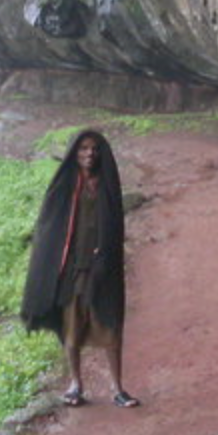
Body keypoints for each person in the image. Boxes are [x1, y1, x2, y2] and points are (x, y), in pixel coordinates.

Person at [21, 130, 140, 408]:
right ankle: (76, 385)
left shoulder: (107, 185)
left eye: (94, 149)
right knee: (71, 328)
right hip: (72, 269)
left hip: (102, 268)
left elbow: (114, 226)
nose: (89, 154)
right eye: (84, 149)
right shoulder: (65, 186)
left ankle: (118, 389)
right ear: (74, 152)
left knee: (109, 326)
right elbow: (49, 227)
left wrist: (106, 256)